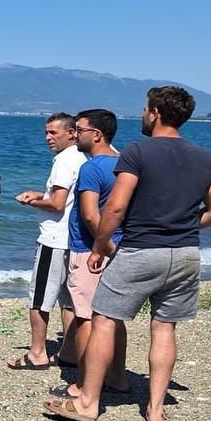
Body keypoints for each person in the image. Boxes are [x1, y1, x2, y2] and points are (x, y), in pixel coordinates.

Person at [44, 86, 211, 421]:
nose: (142, 114)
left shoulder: (137, 152)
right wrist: (186, 224)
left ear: (156, 113)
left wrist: (99, 245)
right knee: (164, 326)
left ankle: (87, 402)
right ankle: (155, 411)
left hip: (142, 249)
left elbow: (115, 206)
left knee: (104, 319)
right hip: (186, 253)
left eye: (145, 109)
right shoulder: (205, 157)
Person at [48, 109, 129, 400]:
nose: (75, 134)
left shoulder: (91, 168)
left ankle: (83, 383)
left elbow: (91, 216)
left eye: (79, 130)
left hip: (89, 250)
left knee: (85, 318)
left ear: (96, 134)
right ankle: (117, 377)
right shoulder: (124, 164)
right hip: (119, 247)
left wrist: (101, 245)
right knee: (113, 317)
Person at [9, 113, 85, 370]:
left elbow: (57, 203)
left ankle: (37, 352)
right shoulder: (83, 157)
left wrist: (31, 201)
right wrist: (41, 194)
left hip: (54, 238)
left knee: (39, 298)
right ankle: (71, 352)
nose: (48, 138)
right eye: (46, 132)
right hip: (74, 239)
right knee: (68, 298)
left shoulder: (64, 161)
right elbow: (66, 197)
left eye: (54, 133)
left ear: (71, 133)